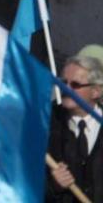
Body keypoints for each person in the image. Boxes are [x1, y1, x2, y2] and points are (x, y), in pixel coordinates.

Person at [47, 52, 103, 202]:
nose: (66, 89)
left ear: (96, 91)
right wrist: (54, 186)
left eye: (75, 85)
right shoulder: (46, 123)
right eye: (63, 82)